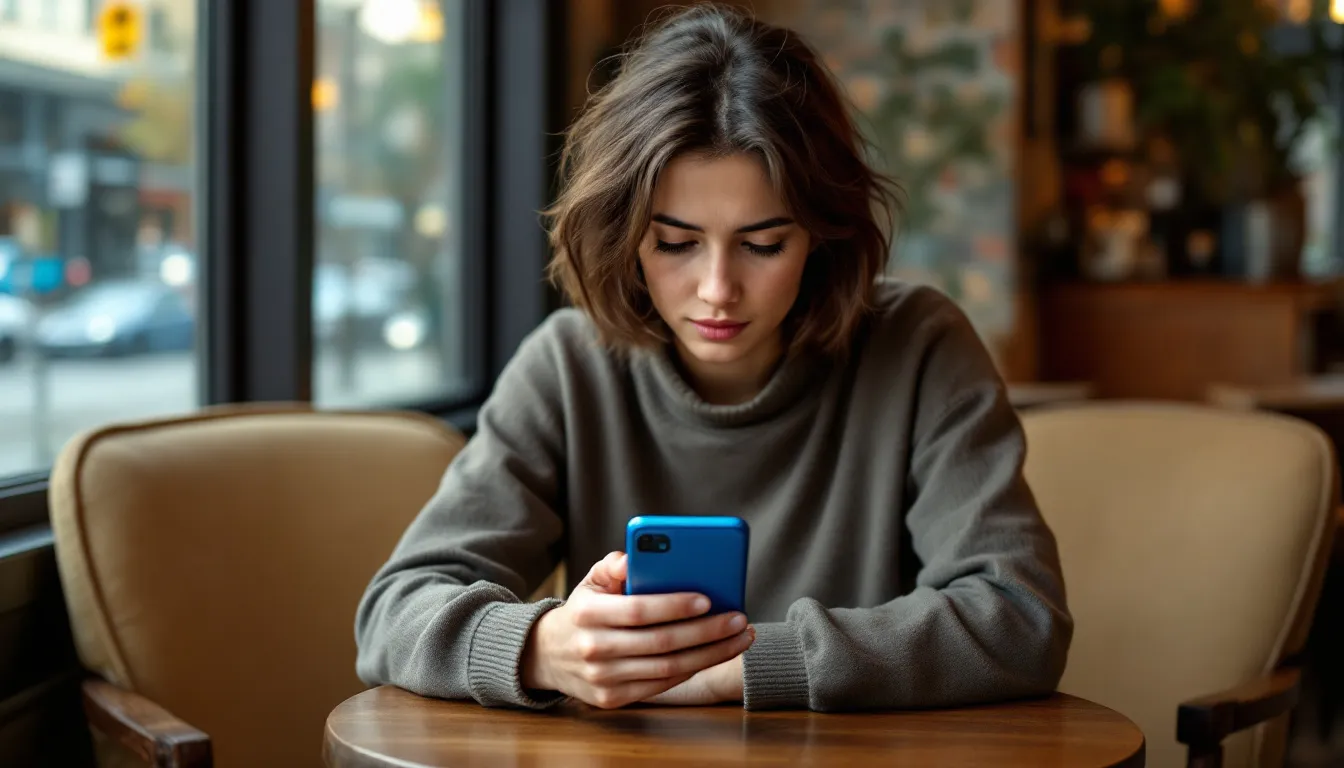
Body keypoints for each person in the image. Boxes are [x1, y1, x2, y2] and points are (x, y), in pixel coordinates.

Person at [355, 3, 1071, 712]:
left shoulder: (920, 347)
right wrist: (544, 645)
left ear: (820, 237)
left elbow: (1020, 618)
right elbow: (394, 610)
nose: (718, 290)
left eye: (764, 243)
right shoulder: (568, 367)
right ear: (625, 234)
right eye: (675, 243)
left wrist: (743, 665)